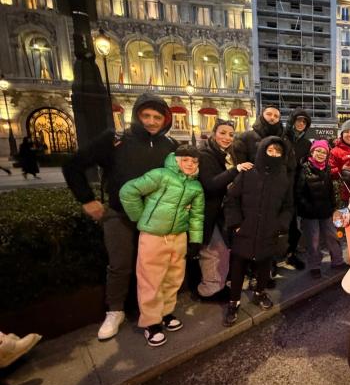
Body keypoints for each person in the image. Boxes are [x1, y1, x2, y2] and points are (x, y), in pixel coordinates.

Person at [62, 93, 177, 341]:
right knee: (120, 264)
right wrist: (87, 199)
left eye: (157, 117)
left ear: (165, 120)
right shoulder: (114, 140)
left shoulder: (169, 147)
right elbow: (72, 165)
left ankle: (155, 311)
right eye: (146, 115)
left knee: (154, 268)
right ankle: (115, 311)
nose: (151, 121)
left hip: (155, 219)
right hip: (119, 215)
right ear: (136, 115)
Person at [119, 145, 205, 347]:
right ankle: (151, 322)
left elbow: (197, 216)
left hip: (178, 237)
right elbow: (128, 191)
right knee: (151, 279)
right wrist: (141, 218)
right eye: (186, 160)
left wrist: (195, 240)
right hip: (153, 237)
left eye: (194, 161)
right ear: (177, 160)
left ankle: (166, 313)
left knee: (173, 278)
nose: (191, 164)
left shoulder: (196, 187)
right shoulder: (161, 175)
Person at [223, 137, 293, 325]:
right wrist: (236, 223)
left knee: (264, 265)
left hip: (268, 230)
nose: (274, 154)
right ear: (263, 150)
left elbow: (288, 206)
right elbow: (231, 199)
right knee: (238, 266)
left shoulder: (283, 177)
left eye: (278, 152)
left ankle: (259, 293)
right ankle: (233, 301)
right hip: (245, 228)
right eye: (270, 150)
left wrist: (280, 225)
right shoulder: (249, 173)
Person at [196, 120, 249, 300]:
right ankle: (209, 291)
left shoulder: (227, 153)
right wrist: (236, 170)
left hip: (224, 211)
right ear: (213, 133)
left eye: (231, 134)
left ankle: (217, 285)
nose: (227, 137)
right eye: (223, 133)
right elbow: (211, 184)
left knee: (222, 250)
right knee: (212, 251)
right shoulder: (205, 154)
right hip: (209, 210)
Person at [295, 140, 349, 278]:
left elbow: (330, 190)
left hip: (326, 211)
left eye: (324, 152)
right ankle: (315, 266)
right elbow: (298, 193)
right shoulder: (304, 168)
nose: (321, 154)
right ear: (312, 152)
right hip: (310, 213)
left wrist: (332, 207)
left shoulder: (326, 169)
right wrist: (307, 207)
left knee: (332, 235)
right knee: (313, 240)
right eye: (318, 151)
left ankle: (337, 261)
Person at [283, 108, 313, 270]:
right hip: (281, 186)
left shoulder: (306, 143)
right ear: (292, 121)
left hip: (296, 188)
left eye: (304, 122)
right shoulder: (283, 138)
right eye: (298, 120)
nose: (301, 124)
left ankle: (291, 253)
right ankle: (271, 260)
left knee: (294, 223)